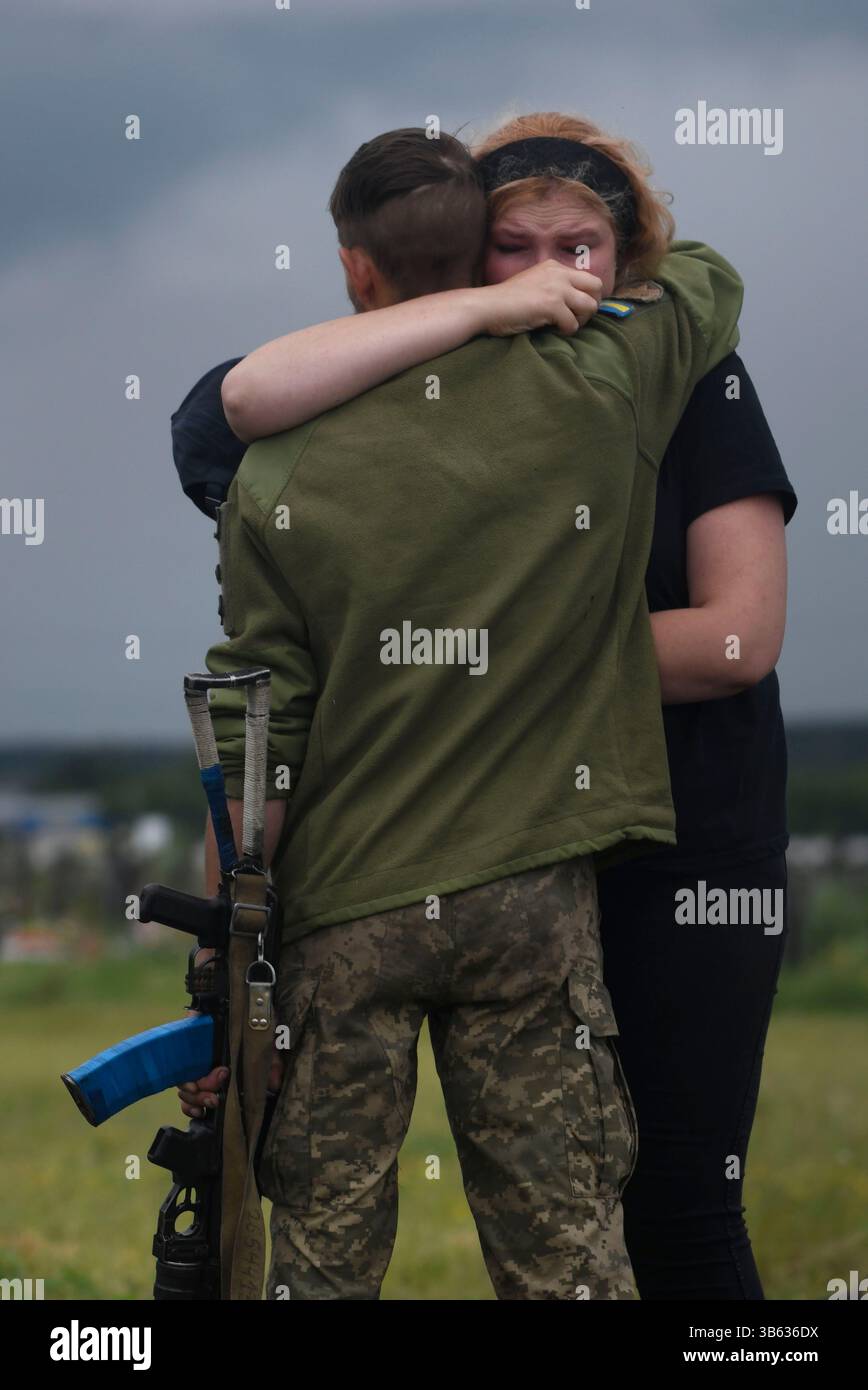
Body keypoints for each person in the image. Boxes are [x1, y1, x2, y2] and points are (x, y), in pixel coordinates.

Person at [173, 123, 743, 1300]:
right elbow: (710, 277)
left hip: (343, 909)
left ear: (353, 271)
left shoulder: (277, 468)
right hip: (531, 897)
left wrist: (238, 958)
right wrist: (558, 275)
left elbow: (257, 730)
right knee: (568, 1258)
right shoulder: (600, 385)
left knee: (320, 1265)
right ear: (489, 253)